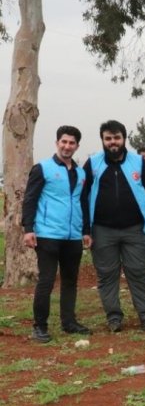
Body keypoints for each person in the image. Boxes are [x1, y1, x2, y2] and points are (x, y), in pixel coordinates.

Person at [82, 120, 145, 332]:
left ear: (124, 139)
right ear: (103, 140)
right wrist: (86, 230)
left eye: (116, 138)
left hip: (134, 230)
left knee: (138, 273)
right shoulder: (93, 164)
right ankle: (114, 317)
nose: (112, 142)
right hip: (102, 230)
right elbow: (83, 196)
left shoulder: (139, 163)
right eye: (108, 138)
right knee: (107, 275)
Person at [22, 125, 92, 343]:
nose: (67, 146)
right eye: (64, 141)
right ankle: (39, 326)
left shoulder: (80, 173)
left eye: (72, 143)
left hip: (72, 237)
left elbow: (83, 202)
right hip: (48, 235)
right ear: (57, 143)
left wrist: (86, 231)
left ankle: (69, 322)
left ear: (77, 146)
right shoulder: (42, 168)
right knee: (47, 280)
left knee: (70, 281)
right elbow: (30, 199)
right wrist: (28, 229)